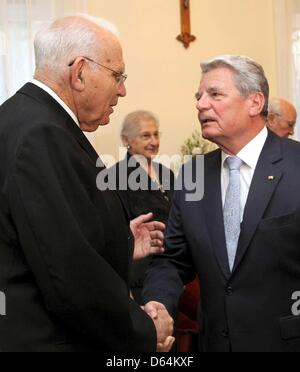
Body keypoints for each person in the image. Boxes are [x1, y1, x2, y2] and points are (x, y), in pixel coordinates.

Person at [0, 15, 174, 352]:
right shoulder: (43, 134)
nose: (122, 90)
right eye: (117, 76)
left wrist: (122, 242)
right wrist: (144, 331)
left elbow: (46, 234)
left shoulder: (22, 117)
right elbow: (68, 274)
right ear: (79, 72)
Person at [143, 55, 300, 352]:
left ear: (254, 103)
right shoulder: (193, 175)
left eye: (214, 94)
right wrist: (157, 304)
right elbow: (173, 259)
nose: (201, 104)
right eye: (199, 96)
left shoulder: (296, 165)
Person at [110, 110, 175, 304]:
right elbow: (115, 231)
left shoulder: (167, 173)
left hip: (170, 270)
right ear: (126, 139)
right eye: (146, 135)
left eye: (156, 134)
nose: (154, 141)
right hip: (139, 275)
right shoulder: (114, 177)